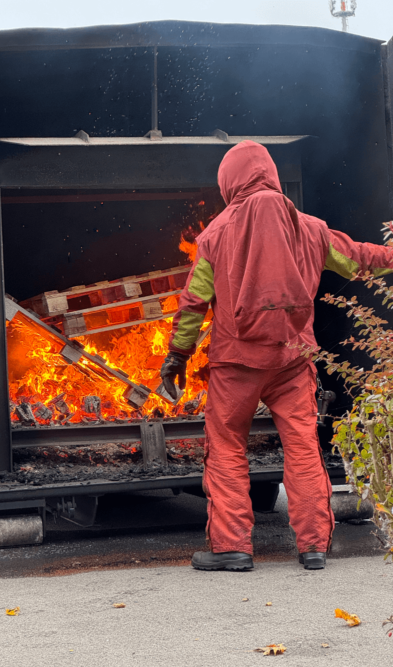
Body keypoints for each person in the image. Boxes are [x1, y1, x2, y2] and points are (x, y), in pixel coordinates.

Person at [160, 140, 393, 571]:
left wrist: (177, 356)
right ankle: (314, 547)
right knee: (303, 447)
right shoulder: (311, 228)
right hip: (291, 362)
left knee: (228, 448)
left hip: (235, 366)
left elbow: (193, 303)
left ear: (229, 182)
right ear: (269, 173)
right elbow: (362, 259)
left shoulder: (213, 236)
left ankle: (232, 548)